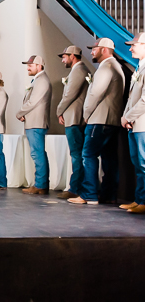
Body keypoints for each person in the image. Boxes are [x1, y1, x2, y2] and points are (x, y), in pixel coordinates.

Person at [69, 38, 124, 206]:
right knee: (109, 158)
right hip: (112, 121)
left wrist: (86, 113)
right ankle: (109, 195)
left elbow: (95, 93)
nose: (92, 51)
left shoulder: (106, 67)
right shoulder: (116, 66)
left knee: (88, 155)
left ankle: (89, 194)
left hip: (100, 120)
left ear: (104, 50)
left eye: (94, 48)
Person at [55, 46, 90, 200]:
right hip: (73, 117)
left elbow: (70, 94)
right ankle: (77, 187)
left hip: (75, 118)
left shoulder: (79, 70)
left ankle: (75, 188)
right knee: (77, 154)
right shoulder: (78, 70)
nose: (63, 60)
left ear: (73, 56)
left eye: (64, 57)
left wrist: (59, 111)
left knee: (77, 155)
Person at [16, 55, 52, 195]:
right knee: (37, 153)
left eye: (30, 65)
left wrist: (19, 113)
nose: (28, 68)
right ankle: (40, 184)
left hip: (37, 122)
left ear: (39, 66)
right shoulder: (37, 80)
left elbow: (33, 101)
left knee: (38, 154)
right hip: (33, 121)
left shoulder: (41, 80)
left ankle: (41, 185)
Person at [121, 33, 145, 214]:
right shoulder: (139, 68)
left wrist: (128, 116)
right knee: (138, 164)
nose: (130, 49)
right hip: (134, 124)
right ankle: (139, 200)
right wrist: (126, 116)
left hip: (142, 124)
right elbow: (131, 98)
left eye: (133, 45)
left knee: (144, 164)